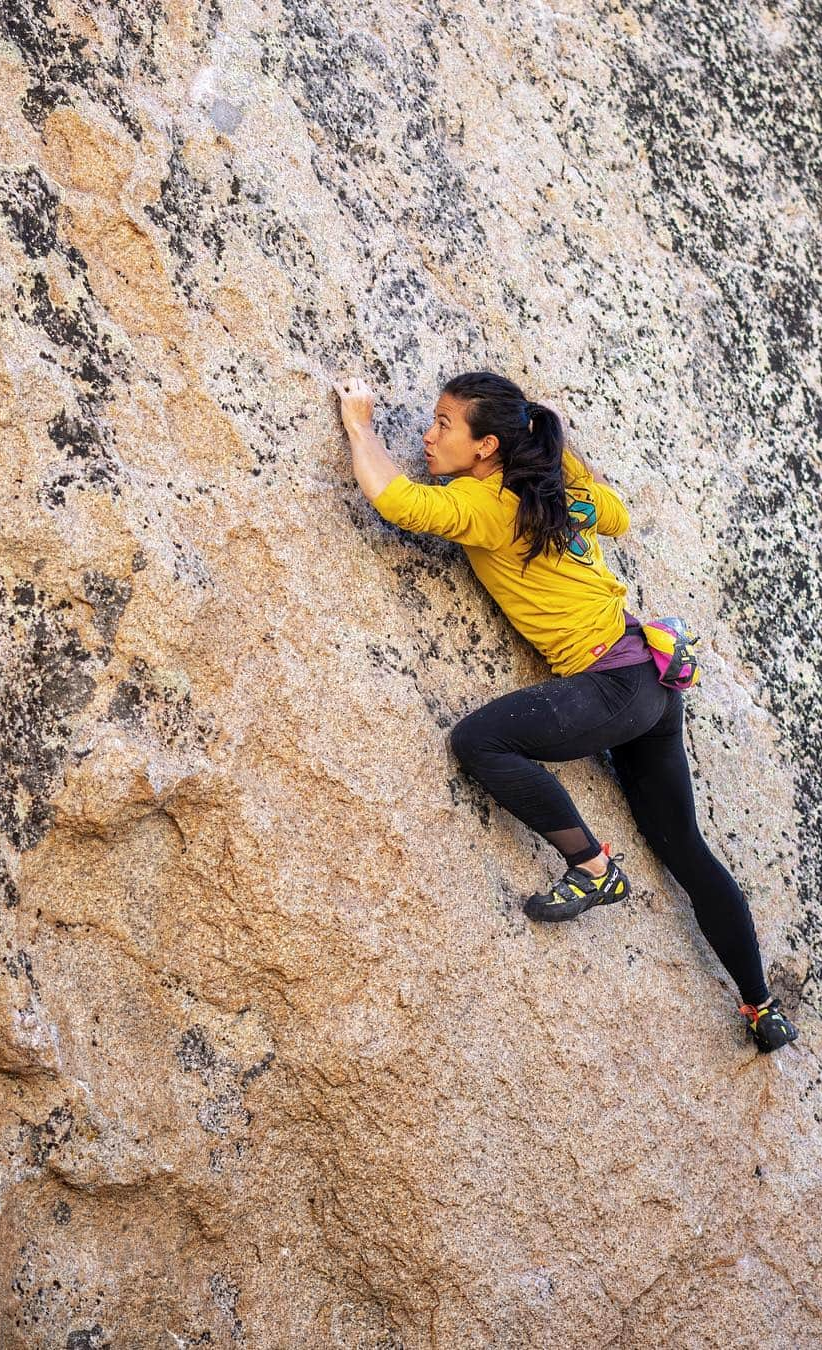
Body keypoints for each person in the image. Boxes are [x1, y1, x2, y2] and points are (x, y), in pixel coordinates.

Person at [332, 369, 798, 1054]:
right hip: (648, 677)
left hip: (615, 686)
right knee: (685, 850)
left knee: (481, 741)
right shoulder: (553, 473)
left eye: (442, 425)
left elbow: (395, 499)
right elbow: (618, 515)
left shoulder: (486, 507)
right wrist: (568, 484)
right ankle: (761, 1008)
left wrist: (359, 424)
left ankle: (591, 867)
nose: (427, 436)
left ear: (486, 446)